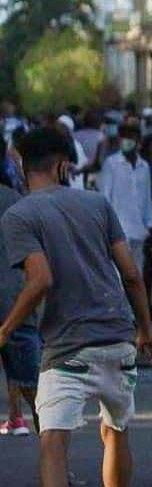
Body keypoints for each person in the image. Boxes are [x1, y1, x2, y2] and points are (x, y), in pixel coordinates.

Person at [0, 127, 152, 487]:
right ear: (63, 167)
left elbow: (40, 280)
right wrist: (147, 330)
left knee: (53, 442)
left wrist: (5, 330)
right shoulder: (97, 203)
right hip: (118, 340)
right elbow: (132, 275)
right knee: (115, 431)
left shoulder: (20, 215)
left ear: (23, 166)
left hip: (66, 348)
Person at [0, 184, 40, 436]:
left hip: (14, 302)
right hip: (16, 301)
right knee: (36, 392)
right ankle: (57, 469)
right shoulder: (16, 200)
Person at [99, 124, 152, 273]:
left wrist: (150, 224)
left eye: (130, 137)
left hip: (139, 230)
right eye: (123, 137)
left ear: (139, 140)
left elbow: (147, 199)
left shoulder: (144, 166)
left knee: (136, 273)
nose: (126, 141)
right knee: (118, 275)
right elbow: (104, 198)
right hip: (119, 230)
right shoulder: (111, 164)